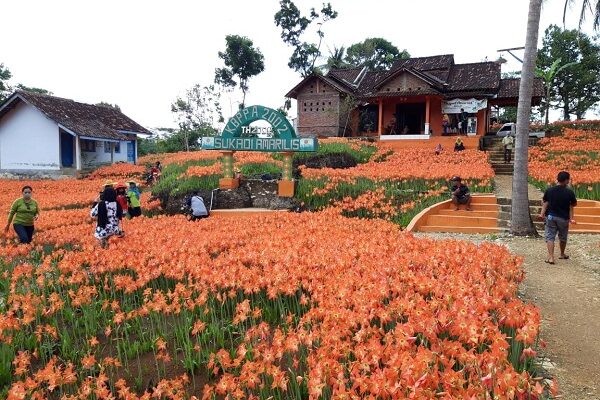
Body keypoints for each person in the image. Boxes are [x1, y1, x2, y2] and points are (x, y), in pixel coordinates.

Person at [539, 171, 577, 265]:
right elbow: (574, 204)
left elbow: (545, 202)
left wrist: (542, 214)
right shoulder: (569, 192)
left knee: (550, 237)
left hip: (551, 217)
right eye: (568, 179)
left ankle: (551, 257)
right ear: (566, 180)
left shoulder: (550, 190)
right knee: (563, 237)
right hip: (563, 218)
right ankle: (562, 254)